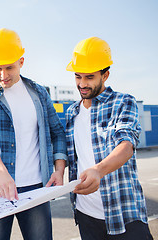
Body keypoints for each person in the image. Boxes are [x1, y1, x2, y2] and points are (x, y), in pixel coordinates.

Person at [0, 28, 67, 240]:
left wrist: (59, 170)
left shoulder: (39, 93)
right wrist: (1, 173)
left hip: (36, 190)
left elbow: (57, 133)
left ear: (21, 61)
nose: (3, 75)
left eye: (9, 68)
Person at [65, 36, 153, 240]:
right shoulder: (72, 113)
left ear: (105, 75)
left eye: (89, 77)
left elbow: (126, 144)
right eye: (78, 77)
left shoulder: (123, 102)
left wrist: (98, 170)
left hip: (124, 213)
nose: (82, 84)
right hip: (86, 215)